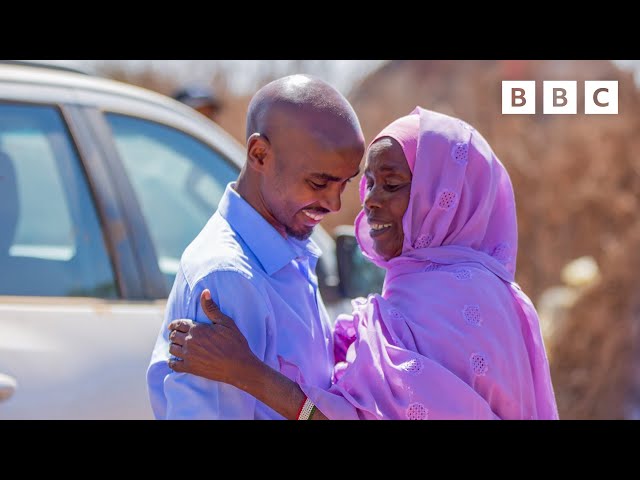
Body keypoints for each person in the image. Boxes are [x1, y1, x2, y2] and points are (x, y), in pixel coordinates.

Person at [167, 106, 560, 420]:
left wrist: (249, 374)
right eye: (369, 182)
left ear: (447, 195)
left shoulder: (448, 301)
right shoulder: (479, 291)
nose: (368, 200)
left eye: (391, 184)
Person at [146, 74, 365, 419]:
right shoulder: (227, 277)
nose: (335, 204)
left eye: (344, 184)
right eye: (319, 182)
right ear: (260, 154)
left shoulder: (292, 249)